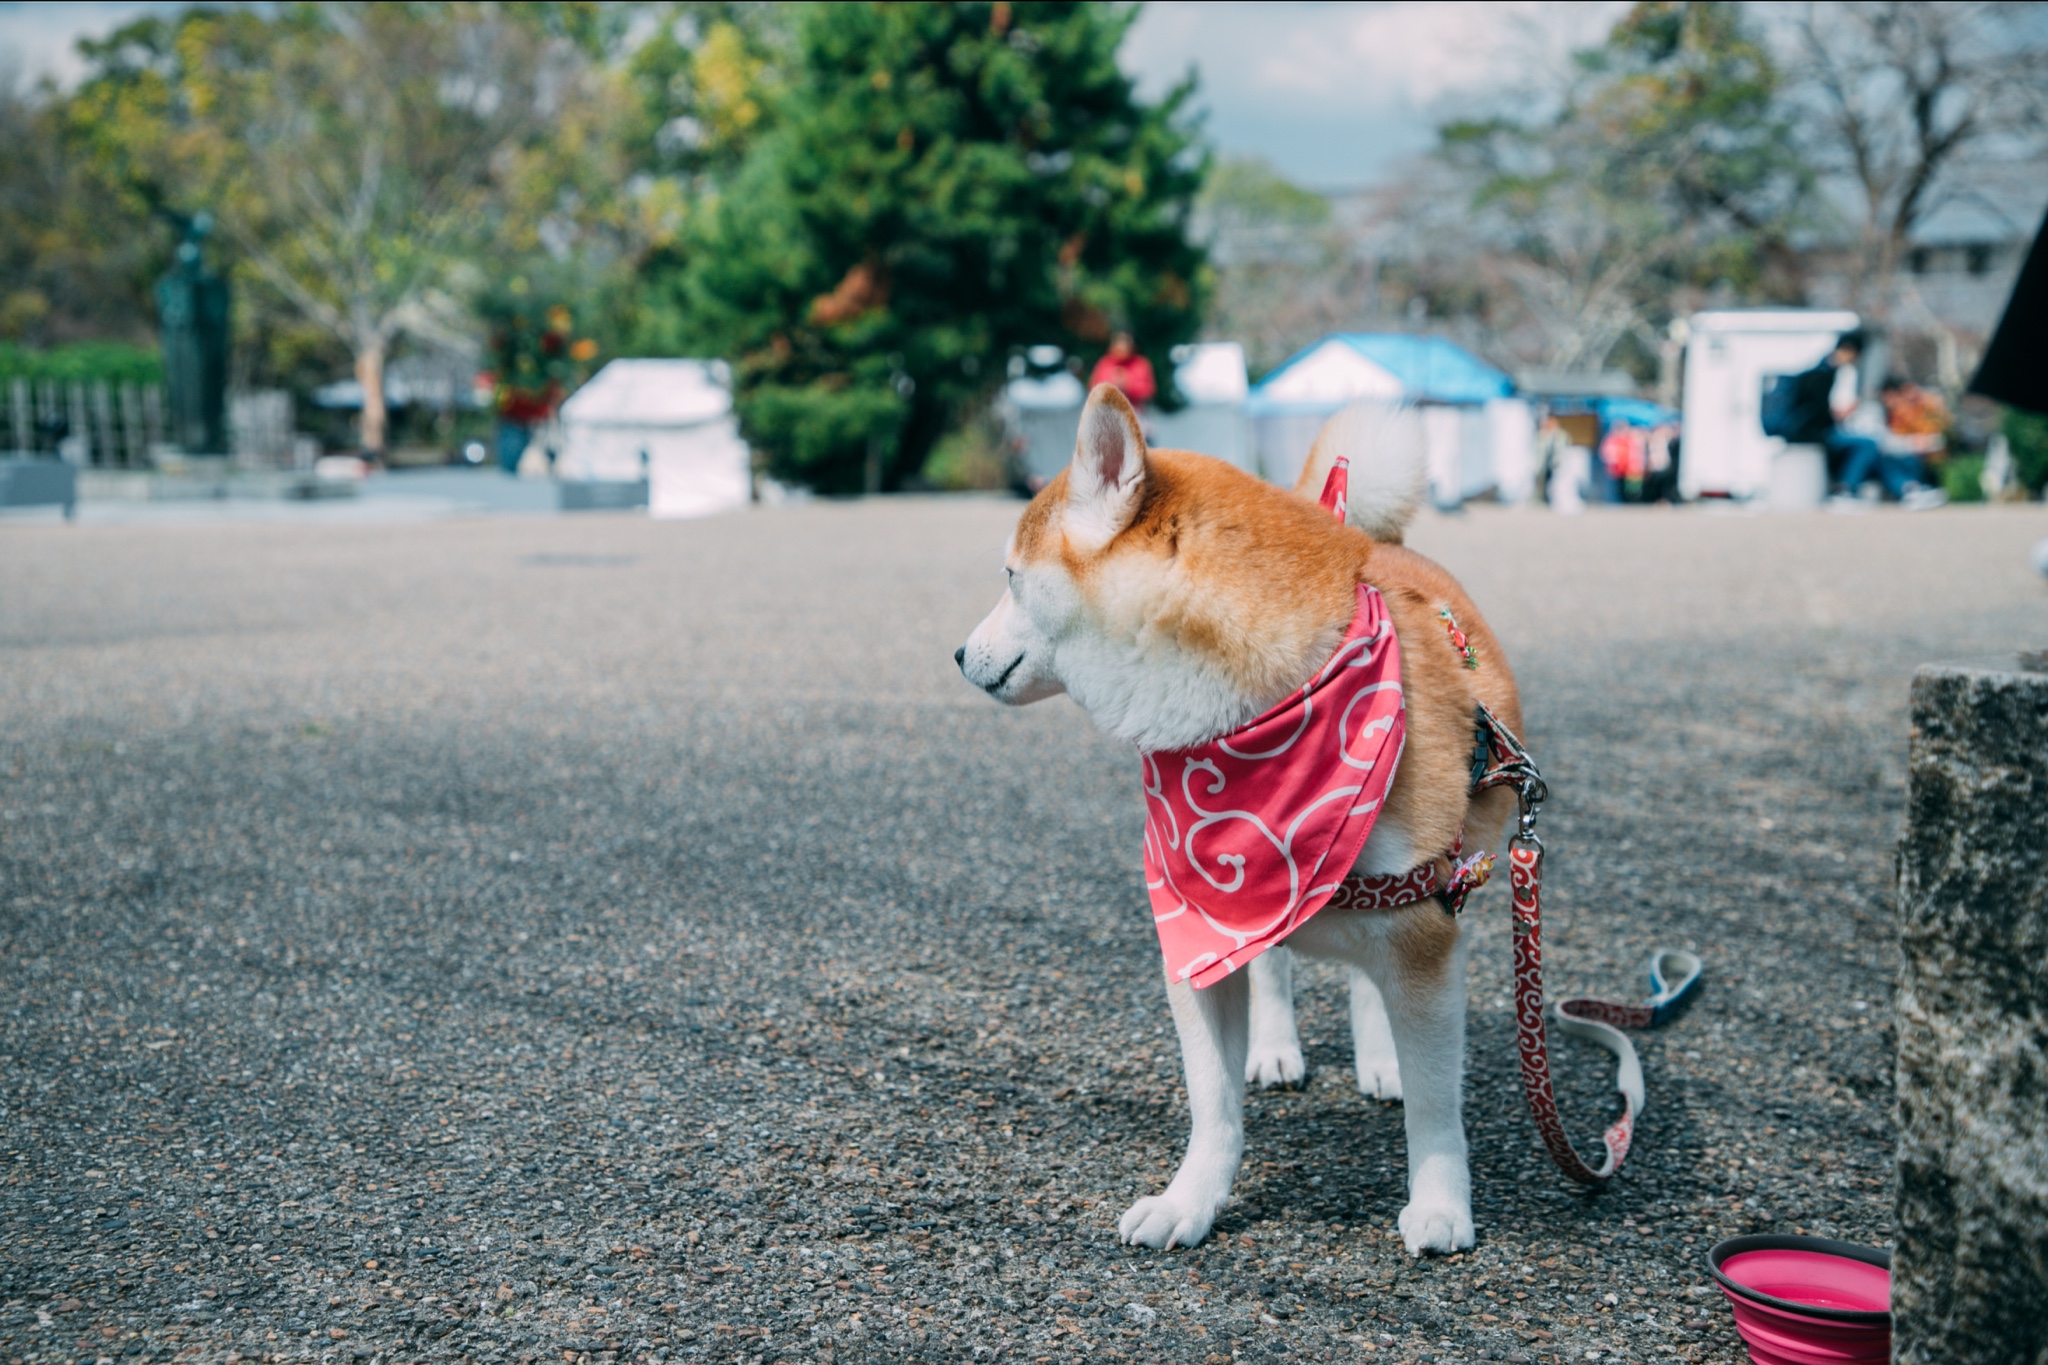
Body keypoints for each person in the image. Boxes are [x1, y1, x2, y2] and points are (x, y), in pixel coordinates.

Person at [1088, 332, 1156, 409]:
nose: (1122, 349)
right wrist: (1112, 385)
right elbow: (1093, 388)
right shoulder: (1104, 364)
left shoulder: (1140, 363)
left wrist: (1129, 385)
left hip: (1135, 409)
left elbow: (1149, 390)